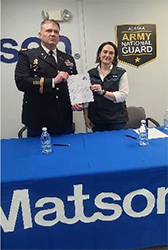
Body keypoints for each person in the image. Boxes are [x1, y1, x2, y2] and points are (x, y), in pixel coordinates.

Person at [15, 19, 82, 137]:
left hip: (64, 118)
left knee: (67, 153)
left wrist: (77, 101)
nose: (52, 34)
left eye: (56, 32)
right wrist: (53, 81)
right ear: (40, 35)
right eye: (48, 31)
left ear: (59, 37)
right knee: (38, 154)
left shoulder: (68, 58)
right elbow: (21, 82)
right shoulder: (28, 55)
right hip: (38, 119)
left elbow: (74, 85)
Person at [83, 41, 129, 132]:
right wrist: (86, 117)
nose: (107, 55)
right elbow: (86, 98)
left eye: (111, 53)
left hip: (117, 120)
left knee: (117, 145)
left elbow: (123, 95)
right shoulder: (90, 73)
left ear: (114, 57)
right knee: (99, 145)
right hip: (97, 120)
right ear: (99, 54)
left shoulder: (121, 73)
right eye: (105, 52)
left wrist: (103, 92)